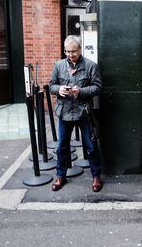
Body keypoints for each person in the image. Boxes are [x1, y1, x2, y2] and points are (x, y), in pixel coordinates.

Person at [49, 35, 103, 192]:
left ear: (80, 48)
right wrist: (58, 89)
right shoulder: (58, 65)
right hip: (64, 112)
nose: (70, 55)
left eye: (73, 51)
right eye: (67, 51)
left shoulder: (91, 66)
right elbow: (52, 84)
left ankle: (96, 177)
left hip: (84, 112)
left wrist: (80, 92)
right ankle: (60, 176)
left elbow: (98, 87)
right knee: (62, 147)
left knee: (92, 146)